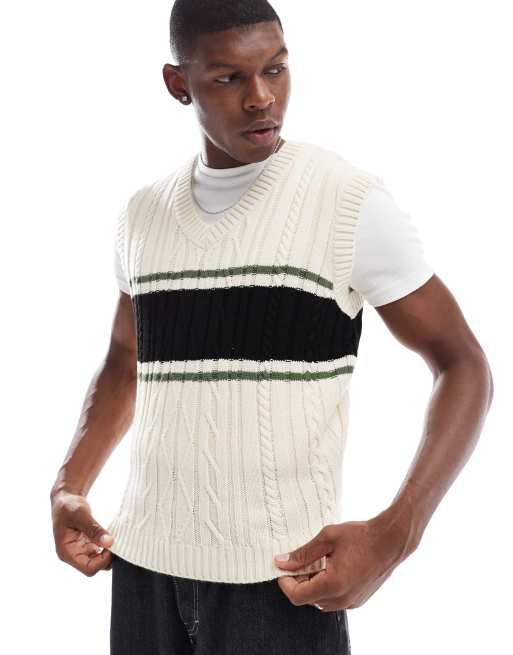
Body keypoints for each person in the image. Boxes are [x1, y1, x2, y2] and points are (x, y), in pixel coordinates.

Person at [50, 1, 494, 653]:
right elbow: (124, 360)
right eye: (229, 77)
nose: (261, 97)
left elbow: (463, 363)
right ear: (178, 83)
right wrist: (69, 486)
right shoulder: (142, 217)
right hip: (141, 569)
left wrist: (398, 530)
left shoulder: (345, 201)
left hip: (281, 583)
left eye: (275, 69)